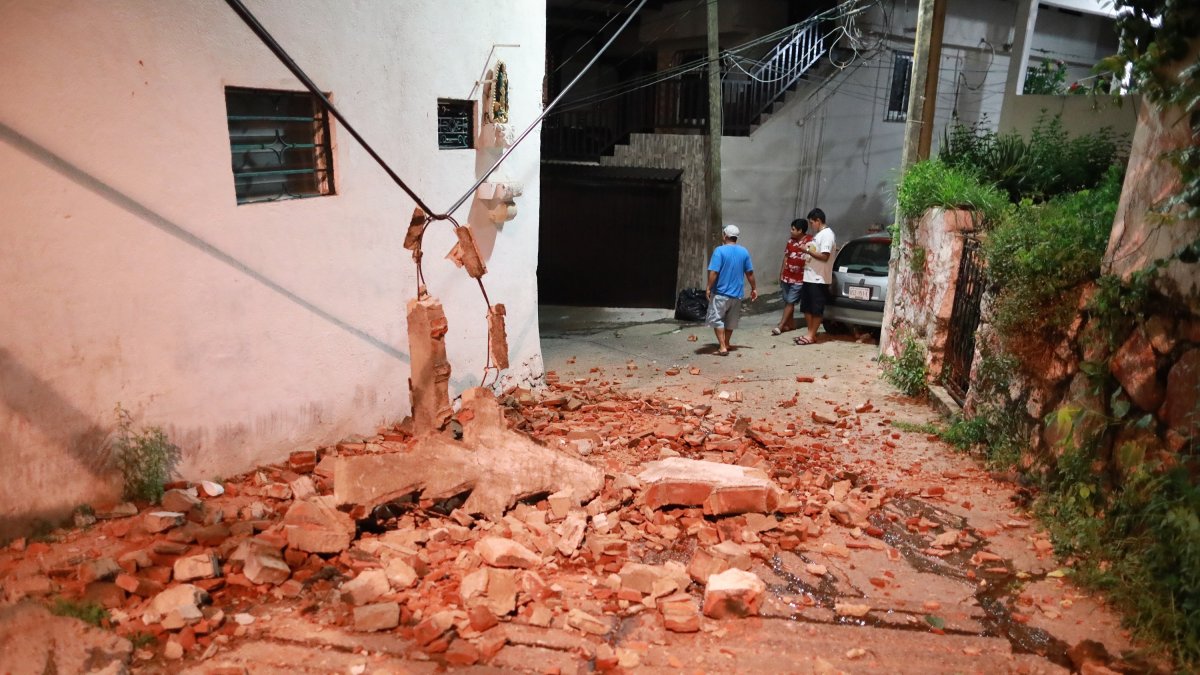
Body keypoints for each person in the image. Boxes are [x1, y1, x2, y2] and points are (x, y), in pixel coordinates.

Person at [705, 224, 757, 356]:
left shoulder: (719, 251)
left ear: (725, 236)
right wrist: (754, 288)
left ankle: (722, 346)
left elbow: (714, 272)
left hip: (720, 293)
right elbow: (750, 273)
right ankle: (726, 343)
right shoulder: (744, 252)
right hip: (737, 294)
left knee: (717, 319)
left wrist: (708, 287)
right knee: (731, 321)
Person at [793, 208, 835, 346]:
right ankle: (810, 333)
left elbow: (824, 256)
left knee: (816, 308)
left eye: (812, 223)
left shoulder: (827, 234)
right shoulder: (819, 235)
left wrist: (807, 250)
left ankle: (811, 335)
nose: (811, 226)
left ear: (818, 220)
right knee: (807, 307)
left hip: (819, 278)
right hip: (809, 276)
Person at [773, 218, 812, 336]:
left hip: (799, 278)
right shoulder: (790, 241)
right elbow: (786, 257)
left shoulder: (810, 241)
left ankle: (780, 325)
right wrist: (781, 273)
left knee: (791, 301)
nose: (791, 231)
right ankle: (790, 324)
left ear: (800, 230)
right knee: (787, 301)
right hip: (787, 276)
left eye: (793, 229)